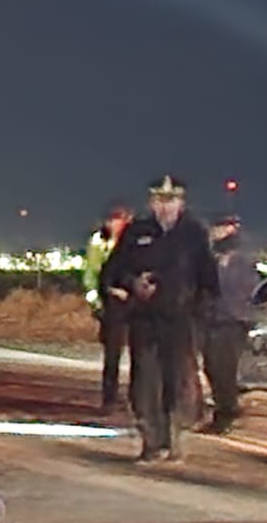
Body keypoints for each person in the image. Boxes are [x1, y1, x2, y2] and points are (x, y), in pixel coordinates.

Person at [100, 175, 219, 463]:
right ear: (151, 202)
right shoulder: (136, 232)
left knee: (178, 382)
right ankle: (152, 442)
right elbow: (110, 274)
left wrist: (199, 314)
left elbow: (209, 280)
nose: (164, 207)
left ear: (181, 202)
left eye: (171, 201)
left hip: (180, 321)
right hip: (144, 319)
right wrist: (133, 283)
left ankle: (174, 437)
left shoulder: (194, 234)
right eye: (159, 201)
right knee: (145, 383)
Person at [199, 213, 260, 434]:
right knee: (214, 367)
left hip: (230, 319)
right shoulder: (215, 253)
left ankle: (227, 414)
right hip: (217, 317)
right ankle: (225, 411)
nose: (214, 233)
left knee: (222, 368)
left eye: (219, 228)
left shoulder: (237, 255)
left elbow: (238, 288)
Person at [83, 202, 135, 412]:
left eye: (120, 220)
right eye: (114, 220)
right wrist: (96, 301)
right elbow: (91, 271)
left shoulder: (135, 240)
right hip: (111, 303)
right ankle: (109, 398)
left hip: (133, 302)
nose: (117, 224)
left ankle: (136, 398)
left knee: (140, 354)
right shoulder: (100, 241)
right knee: (112, 354)